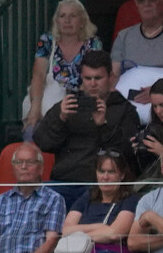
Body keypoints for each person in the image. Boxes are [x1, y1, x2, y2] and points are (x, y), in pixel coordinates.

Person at [32, 51, 142, 194]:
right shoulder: (67, 105)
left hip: (102, 185)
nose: (93, 84)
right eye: (88, 78)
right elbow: (43, 143)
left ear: (110, 77)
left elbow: (128, 152)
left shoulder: (125, 109)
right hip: (64, 179)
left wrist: (103, 125)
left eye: (98, 78)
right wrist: (61, 119)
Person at [25, 0, 102, 131]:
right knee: (32, 127)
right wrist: (35, 108)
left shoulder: (93, 43)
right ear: (57, 21)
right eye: (62, 16)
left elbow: (94, 75)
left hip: (81, 99)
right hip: (48, 100)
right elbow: (38, 74)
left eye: (73, 16)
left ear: (82, 21)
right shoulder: (47, 41)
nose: (67, 21)